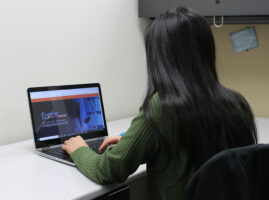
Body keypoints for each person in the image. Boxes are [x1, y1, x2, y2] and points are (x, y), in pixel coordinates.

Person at [62, 7, 257, 200]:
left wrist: (80, 150)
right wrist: (136, 143)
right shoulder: (236, 103)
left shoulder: (162, 107)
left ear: (159, 57)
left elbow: (109, 170)